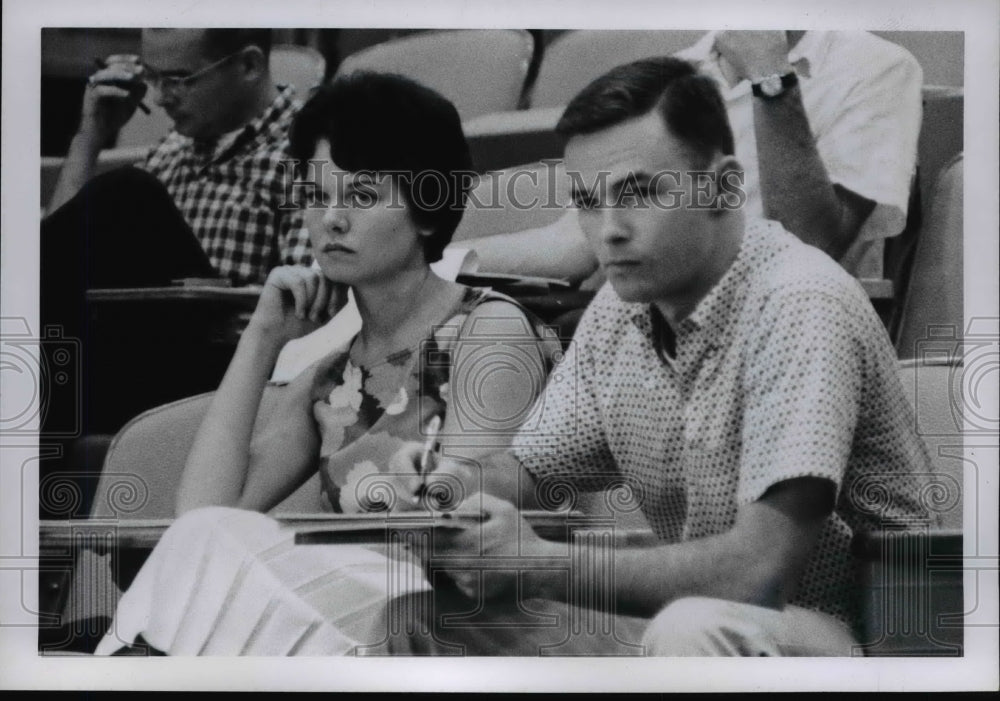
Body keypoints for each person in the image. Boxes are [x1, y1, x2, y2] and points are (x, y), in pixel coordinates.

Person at [421, 56, 932, 656]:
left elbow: (758, 574)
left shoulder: (800, 300)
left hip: (875, 633)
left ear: (724, 186)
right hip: (715, 620)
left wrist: (535, 563)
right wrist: (447, 488)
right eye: (587, 201)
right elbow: (533, 474)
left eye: (638, 193)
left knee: (691, 629)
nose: (608, 230)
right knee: (428, 617)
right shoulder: (620, 307)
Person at [92, 71, 561, 656]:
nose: (331, 220)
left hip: (443, 619)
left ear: (428, 210)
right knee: (206, 539)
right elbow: (202, 512)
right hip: (335, 621)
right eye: (316, 196)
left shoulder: (489, 329)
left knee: (201, 582)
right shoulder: (331, 374)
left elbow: (461, 534)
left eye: (362, 197)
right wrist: (262, 339)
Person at [453, 30, 922, 283]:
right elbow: (577, 241)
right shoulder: (674, 75)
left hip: (789, 323)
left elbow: (809, 249)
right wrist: (431, 269)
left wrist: (769, 73)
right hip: (647, 314)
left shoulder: (876, 67)